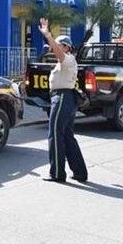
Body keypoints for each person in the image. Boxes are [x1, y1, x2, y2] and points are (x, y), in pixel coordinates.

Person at [38, 18, 87, 183]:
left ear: (66, 47)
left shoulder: (68, 59)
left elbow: (59, 54)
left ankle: (57, 173)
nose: (55, 49)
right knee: (66, 136)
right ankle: (80, 172)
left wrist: (48, 35)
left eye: (59, 45)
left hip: (63, 98)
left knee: (55, 135)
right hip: (64, 99)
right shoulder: (64, 61)